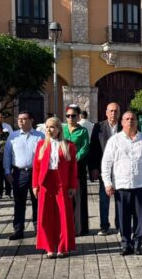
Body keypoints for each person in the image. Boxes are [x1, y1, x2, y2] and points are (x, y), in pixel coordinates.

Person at [101, 111, 142, 256]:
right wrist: (108, 183)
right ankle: (125, 244)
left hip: (141, 184)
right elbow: (106, 164)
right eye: (127, 119)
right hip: (122, 185)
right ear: (122, 122)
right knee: (123, 217)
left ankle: (138, 243)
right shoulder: (114, 140)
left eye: (132, 119)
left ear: (137, 122)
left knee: (139, 217)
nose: (130, 121)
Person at [32, 117, 78, 258]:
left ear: (58, 129)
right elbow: (36, 167)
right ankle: (49, 247)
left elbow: (73, 168)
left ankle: (62, 247)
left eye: (52, 127)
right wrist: (35, 185)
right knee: (45, 215)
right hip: (45, 183)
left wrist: (72, 186)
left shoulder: (68, 146)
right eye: (47, 127)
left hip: (61, 182)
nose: (49, 130)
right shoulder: (41, 145)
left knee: (63, 215)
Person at [4, 111, 44, 240]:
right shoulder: (13, 136)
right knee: (19, 202)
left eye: (24, 119)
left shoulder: (40, 136)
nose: (20, 121)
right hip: (18, 173)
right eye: (19, 119)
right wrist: (7, 172)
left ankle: (38, 228)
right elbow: (7, 155)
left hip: (35, 173)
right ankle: (18, 229)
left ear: (31, 120)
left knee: (37, 202)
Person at [88, 103, 122, 236]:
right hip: (105, 169)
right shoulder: (99, 127)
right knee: (104, 199)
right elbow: (94, 148)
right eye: (111, 111)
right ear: (106, 113)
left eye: (116, 111)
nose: (113, 113)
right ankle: (104, 226)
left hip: (121, 170)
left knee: (120, 199)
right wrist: (94, 168)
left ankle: (120, 226)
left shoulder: (123, 126)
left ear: (119, 113)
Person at [63, 105, 90, 236]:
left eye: (73, 116)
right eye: (68, 116)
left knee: (78, 198)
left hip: (77, 168)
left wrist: (73, 159)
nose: (70, 118)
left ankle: (80, 228)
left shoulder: (83, 131)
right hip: (62, 168)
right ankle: (66, 227)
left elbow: (85, 148)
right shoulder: (62, 129)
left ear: (79, 117)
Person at [0, 121, 12, 199]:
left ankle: (8, 192)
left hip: (6, 158)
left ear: (1, 127)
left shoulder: (6, 135)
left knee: (7, 175)